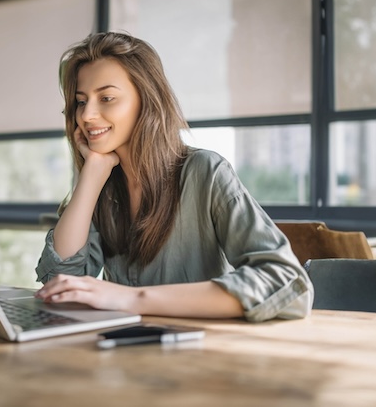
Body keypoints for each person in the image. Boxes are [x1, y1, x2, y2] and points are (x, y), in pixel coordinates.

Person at [34, 32, 313, 322]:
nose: (87, 115)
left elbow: (287, 282)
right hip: (126, 351)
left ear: (147, 100)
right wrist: (90, 175)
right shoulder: (103, 185)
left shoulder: (205, 172)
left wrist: (133, 299)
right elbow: (59, 283)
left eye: (106, 98)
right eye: (81, 102)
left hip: (198, 351)